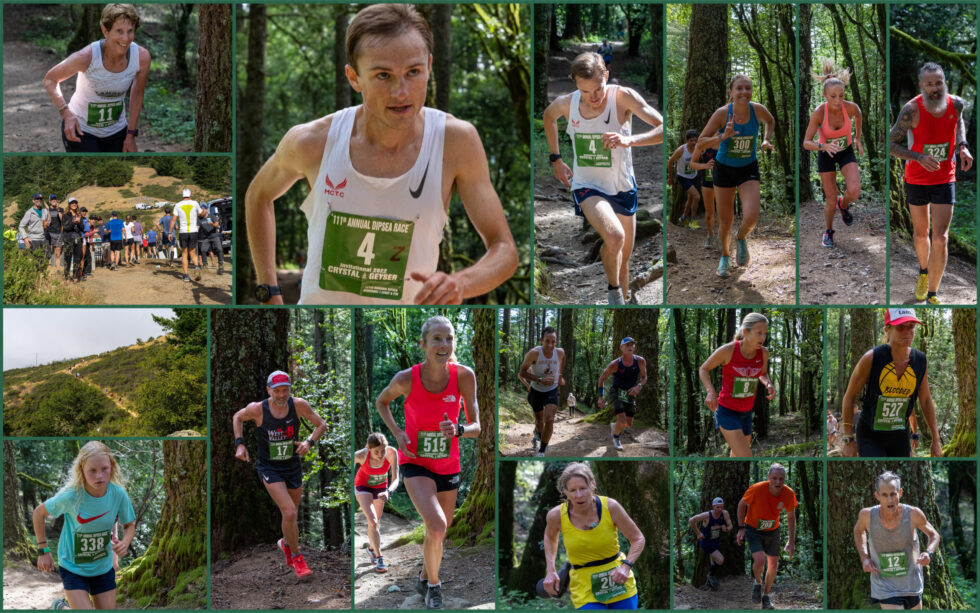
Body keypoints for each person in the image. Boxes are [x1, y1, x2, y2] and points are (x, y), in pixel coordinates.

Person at [246, 4, 517, 306]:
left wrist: (460, 283)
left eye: (413, 72)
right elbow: (258, 197)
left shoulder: (456, 142)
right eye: (383, 75)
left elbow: (504, 249)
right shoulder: (313, 142)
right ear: (354, 77)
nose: (401, 92)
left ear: (429, 66)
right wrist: (268, 290)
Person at [374, 315, 481, 609]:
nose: (444, 344)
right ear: (423, 344)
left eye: (449, 338)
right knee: (435, 526)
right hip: (415, 462)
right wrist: (397, 433)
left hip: (449, 465)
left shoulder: (464, 376)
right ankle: (434, 586)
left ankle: (424, 576)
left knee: (440, 532)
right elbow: (381, 402)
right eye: (437, 338)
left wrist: (458, 429)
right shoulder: (406, 378)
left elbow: (477, 427)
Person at [543, 52, 663, 305]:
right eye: (585, 91)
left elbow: (662, 127)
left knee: (624, 256)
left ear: (606, 76)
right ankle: (612, 293)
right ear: (576, 85)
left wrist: (629, 140)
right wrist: (556, 159)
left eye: (598, 88)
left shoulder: (623, 97)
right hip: (588, 186)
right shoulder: (567, 103)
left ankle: (623, 302)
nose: (593, 97)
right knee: (615, 238)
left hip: (622, 187)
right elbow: (548, 117)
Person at [889, 62, 972, 304]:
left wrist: (963, 146)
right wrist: (918, 157)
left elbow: (959, 124)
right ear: (921, 86)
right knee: (920, 233)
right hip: (916, 178)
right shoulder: (911, 110)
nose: (935, 88)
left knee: (941, 237)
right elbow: (891, 144)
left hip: (945, 177)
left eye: (939, 82)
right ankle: (924, 272)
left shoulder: (956, 104)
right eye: (929, 84)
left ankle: (933, 294)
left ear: (944, 83)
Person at [233, 370, 327, 580]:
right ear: (269, 390)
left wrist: (309, 442)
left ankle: (285, 543)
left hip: (292, 466)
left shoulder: (299, 405)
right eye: (277, 391)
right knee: (291, 512)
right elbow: (237, 417)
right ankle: (297, 557)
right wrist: (239, 444)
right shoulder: (258, 409)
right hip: (269, 467)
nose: (282, 395)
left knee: (290, 515)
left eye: (286, 390)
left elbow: (322, 425)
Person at [33, 441, 136, 610]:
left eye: (104, 469)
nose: (100, 476)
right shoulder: (71, 496)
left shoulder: (118, 494)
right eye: (92, 471)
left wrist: (124, 543)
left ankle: (62, 608)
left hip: (103, 568)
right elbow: (38, 513)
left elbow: (129, 524)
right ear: (82, 470)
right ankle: (60, 607)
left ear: (112, 467)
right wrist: (43, 549)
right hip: (73, 567)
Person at [694, 74, 776, 277]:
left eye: (748, 88)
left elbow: (771, 121)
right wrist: (723, 136)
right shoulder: (722, 114)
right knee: (726, 221)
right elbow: (701, 141)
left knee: (752, 216)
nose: (744, 92)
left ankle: (741, 238)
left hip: (748, 167)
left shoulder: (757, 110)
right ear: (731, 92)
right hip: (724, 170)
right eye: (739, 88)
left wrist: (766, 140)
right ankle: (724, 256)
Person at [43, 4, 149, 152]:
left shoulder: (141, 57)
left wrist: (130, 135)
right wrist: (66, 114)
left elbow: (137, 93)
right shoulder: (86, 57)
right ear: (105, 31)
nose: (126, 38)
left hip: (117, 132)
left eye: (130, 31)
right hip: (81, 129)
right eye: (119, 31)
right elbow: (50, 79)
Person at [840, 308, 942, 458]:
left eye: (911, 327)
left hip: (900, 434)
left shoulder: (920, 360)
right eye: (900, 327)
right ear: (887, 330)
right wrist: (848, 440)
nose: (907, 332)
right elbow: (849, 397)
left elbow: (925, 400)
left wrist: (936, 439)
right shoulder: (871, 358)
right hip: (870, 433)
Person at [541, 462, 644, 610]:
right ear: (565, 491)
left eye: (583, 488)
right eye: (573, 490)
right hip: (584, 586)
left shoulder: (611, 507)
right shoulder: (556, 515)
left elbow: (638, 538)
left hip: (619, 581)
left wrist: (626, 566)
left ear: (593, 485)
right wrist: (550, 570)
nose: (579, 495)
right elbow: (550, 537)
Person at [853, 471, 940, 610]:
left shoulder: (913, 514)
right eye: (885, 495)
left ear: (900, 493)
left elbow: (934, 534)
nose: (890, 500)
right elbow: (858, 531)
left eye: (893, 494)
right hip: (884, 585)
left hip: (912, 583)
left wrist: (928, 553)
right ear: (877, 496)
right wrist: (864, 558)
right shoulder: (867, 516)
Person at [803, 60, 864, 248]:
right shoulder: (819, 113)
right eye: (833, 96)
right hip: (826, 154)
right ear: (824, 95)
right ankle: (828, 231)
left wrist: (857, 139)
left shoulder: (850, 107)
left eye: (841, 95)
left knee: (854, 191)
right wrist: (823, 147)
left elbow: (859, 115)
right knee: (830, 198)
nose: (838, 100)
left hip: (845, 152)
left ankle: (843, 205)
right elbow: (806, 143)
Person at [698, 312, 775, 457]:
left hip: (746, 412)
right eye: (759, 333)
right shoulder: (729, 350)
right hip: (727, 411)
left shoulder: (763, 353)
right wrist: (710, 392)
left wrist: (768, 384)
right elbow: (703, 369)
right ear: (746, 332)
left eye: (765, 333)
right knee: (746, 456)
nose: (763, 338)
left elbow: (762, 374)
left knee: (737, 456)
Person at [736, 464, 796, 610]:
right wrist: (741, 528)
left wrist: (791, 541)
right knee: (760, 560)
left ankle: (766, 597)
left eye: (781, 479)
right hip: (753, 529)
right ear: (769, 478)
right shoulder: (757, 489)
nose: (778, 482)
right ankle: (757, 583)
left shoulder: (788, 494)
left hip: (773, 530)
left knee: (773, 565)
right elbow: (741, 505)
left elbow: (790, 517)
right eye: (774, 478)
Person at [354, 432, 400, 574]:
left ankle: (371, 549)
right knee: (373, 521)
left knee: (375, 522)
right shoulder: (361, 455)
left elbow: (396, 478)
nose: (380, 454)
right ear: (369, 448)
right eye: (376, 451)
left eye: (382, 450)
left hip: (381, 488)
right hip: (363, 487)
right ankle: (380, 558)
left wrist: (389, 492)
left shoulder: (392, 453)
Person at [518, 326, 565, 457]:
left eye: (553, 341)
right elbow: (522, 372)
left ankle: (542, 451)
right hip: (536, 390)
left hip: (552, 390)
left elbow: (563, 361)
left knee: (549, 419)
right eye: (547, 341)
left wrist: (560, 377)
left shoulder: (560, 352)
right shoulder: (534, 353)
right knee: (539, 420)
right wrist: (539, 379)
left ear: (556, 342)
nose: (550, 345)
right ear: (541, 341)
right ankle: (538, 434)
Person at [597, 337, 647, 451]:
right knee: (622, 420)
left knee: (628, 424)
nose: (630, 347)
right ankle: (616, 438)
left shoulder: (640, 361)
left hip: (630, 393)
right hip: (616, 392)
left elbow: (644, 377)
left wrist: (639, 386)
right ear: (621, 348)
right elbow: (601, 379)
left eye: (632, 345)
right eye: (627, 345)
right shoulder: (614, 364)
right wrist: (600, 397)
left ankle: (615, 426)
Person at [688, 497, 732, 590]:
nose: (720, 509)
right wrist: (698, 533)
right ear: (713, 506)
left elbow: (730, 525)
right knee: (720, 560)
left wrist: (726, 528)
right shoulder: (707, 515)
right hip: (707, 542)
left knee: (714, 562)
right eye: (717, 507)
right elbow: (691, 520)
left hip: (716, 541)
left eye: (721, 507)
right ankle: (710, 575)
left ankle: (711, 585)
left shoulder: (725, 513)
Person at [668, 130, 702, 229]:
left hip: (694, 176)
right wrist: (670, 177)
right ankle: (693, 221)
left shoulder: (698, 148)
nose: (694, 143)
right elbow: (670, 162)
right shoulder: (681, 150)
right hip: (683, 177)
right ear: (686, 140)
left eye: (695, 140)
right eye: (691, 140)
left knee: (691, 198)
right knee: (697, 197)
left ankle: (683, 218)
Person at [173, 188, 206, 282]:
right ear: (190, 195)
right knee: (193, 253)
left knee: (184, 254)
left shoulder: (178, 205)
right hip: (193, 231)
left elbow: (173, 220)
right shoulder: (195, 203)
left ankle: (186, 275)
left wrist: (169, 232)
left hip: (183, 231)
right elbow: (202, 214)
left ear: (182, 195)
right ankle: (196, 267)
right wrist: (204, 211)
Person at [62, 198, 86, 283]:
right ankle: (67, 276)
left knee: (77, 258)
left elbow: (83, 228)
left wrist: (79, 222)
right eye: (72, 203)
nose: (74, 204)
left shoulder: (79, 215)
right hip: (68, 239)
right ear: (69, 204)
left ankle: (75, 276)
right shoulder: (65, 215)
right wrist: (74, 222)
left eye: (75, 203)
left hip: (78, 239)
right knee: (67, 258)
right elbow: (65, 228)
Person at [198, 200, 224, 274]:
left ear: (206, 210)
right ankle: (205, 264)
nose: (201, 211)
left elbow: (217, 225)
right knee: (203, 249)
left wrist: (212, 224)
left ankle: (220, 263)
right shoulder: (199, 219)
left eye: (202, 209)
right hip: (206, 237)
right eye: (200, 210)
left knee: (219, 249)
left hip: (214, 235)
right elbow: (197, 227)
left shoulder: (211, 216)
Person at [48, 195, 64, 267]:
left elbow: (62, 219)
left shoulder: (61, 209)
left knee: (58, 252)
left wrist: (58, 210)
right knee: (49, 252)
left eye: (55, 199)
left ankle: (58, 269)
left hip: (58, 233)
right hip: (49, 233)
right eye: (52, 199)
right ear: (50, 201)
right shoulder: (47, 210)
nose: (54, 200)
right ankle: (48, 268)